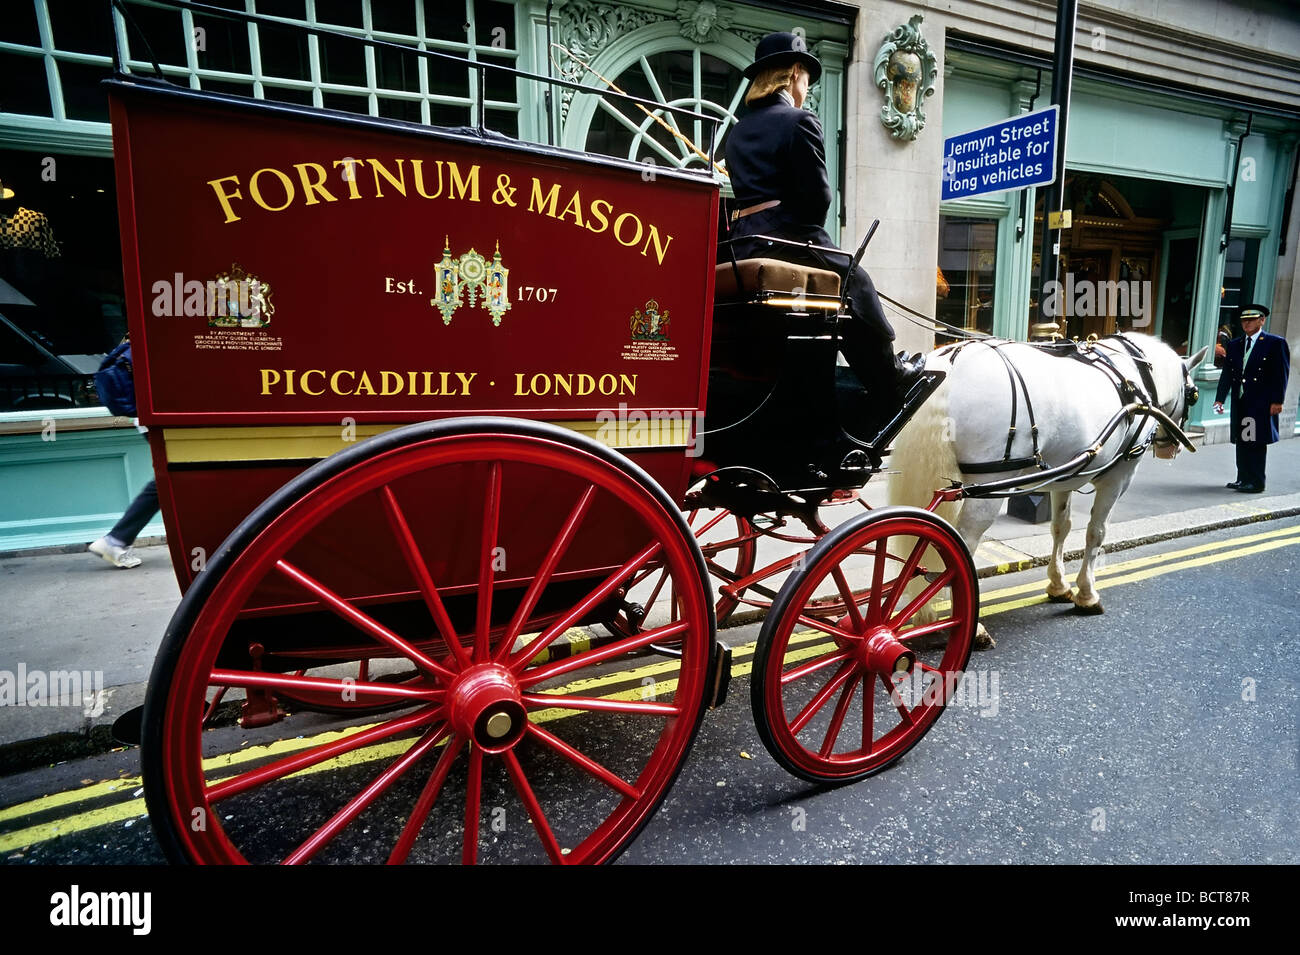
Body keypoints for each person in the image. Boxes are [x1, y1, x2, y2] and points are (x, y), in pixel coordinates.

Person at [721, 31, 923, 397]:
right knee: (855, 280)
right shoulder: (799, 120)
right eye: (807, 80)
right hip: (783, 236)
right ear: (796, 72)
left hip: (744, 243)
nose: (807, 89)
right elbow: (819, 199)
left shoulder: (737, 132)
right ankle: (888, 376)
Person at [1213, 303, 1290, 493]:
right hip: (1241, 401)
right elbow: (1227, 375)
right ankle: (1242, 478)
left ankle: (1256, 481)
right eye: (1243, 321)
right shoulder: (1235, 344)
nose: (1246, 324)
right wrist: (1219, 399)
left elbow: (1281, 374)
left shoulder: (1274, 343)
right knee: (1242, 439)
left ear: (1261, 320)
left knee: (1255, 441)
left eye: (1251, 320)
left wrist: (1277, 401)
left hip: (1260, 402)